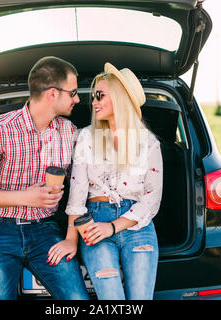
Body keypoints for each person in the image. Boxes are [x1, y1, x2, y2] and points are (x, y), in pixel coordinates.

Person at [0, 56, 89, 300]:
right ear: (52, 94)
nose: (77, 99)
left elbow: (79, 186)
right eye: (73, 93)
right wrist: (27, 197)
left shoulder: (69, 131)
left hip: (45, 230)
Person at [63, 62, 163, 300]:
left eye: (100, 95)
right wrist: (71, 239)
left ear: (120, 98)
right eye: (94, 97)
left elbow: (151, 200)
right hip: (94, 222)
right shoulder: (86, 137)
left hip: (137, 226)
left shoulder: (148, 143)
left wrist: (114, 226)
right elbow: (77, 194)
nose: (94, 102)